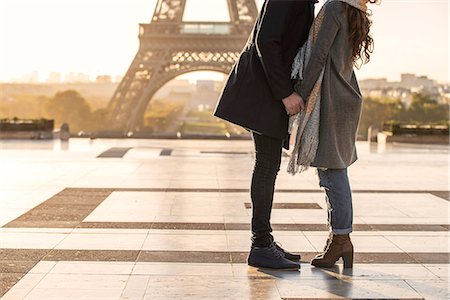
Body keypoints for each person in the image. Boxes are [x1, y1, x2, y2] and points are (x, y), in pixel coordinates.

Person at [214, 0, 316, 270]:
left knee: (267, 165)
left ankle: (264, 240)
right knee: (267, 165)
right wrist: (284, 92)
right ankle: (260, 244)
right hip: (266, 92)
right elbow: (266, 41)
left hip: (265, 89)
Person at [288, 0, 377, 269]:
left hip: (330, 100)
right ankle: (339, 237)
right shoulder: (354, 9)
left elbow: (318, 54)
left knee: (332, 174)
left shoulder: (335, 7)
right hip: (344, 97)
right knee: (333, 172)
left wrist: (300, 95)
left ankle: (341, 239)